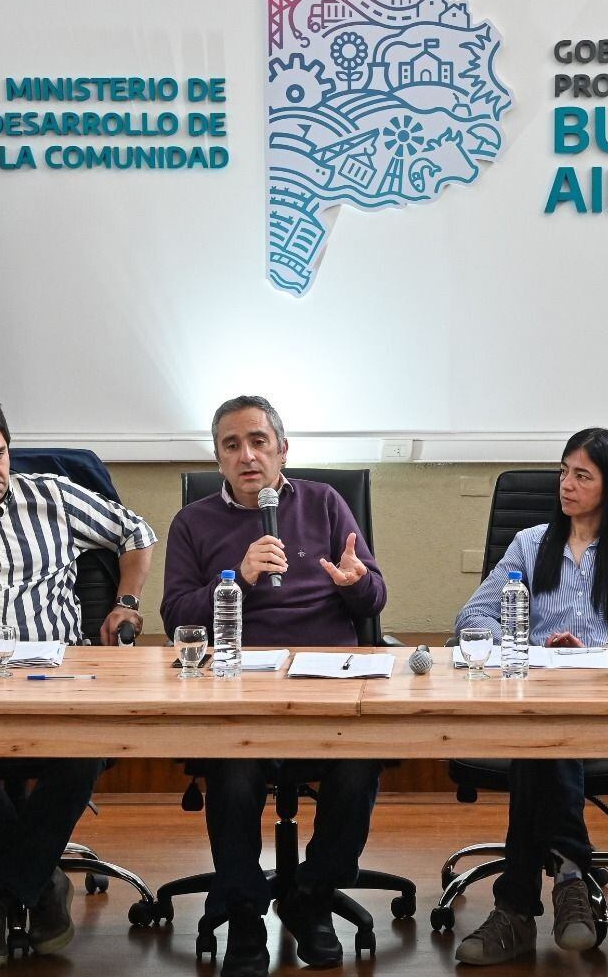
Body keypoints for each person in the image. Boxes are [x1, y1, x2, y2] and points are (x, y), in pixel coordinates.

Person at [0, 392, 157, 968]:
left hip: (60, 673)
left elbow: (136, 534)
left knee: (83, 756)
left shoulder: (52, 496)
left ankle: (2, 891)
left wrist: (127, 602)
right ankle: (40, 882)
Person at [161, 395, 387, 977]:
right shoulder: (193, 523)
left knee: (359, 765)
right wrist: (234, 576)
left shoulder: (325, 502)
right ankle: (242, 913)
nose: (248, 455)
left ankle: (310, 897)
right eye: (232, 445)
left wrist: (357, 584)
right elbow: (175, 618)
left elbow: (374, 596)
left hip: (327, 683)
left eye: (259, 441)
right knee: (233, 775)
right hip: (237, 687)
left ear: (282, 449)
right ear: (218, 460)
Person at [450, 428, 608, 965]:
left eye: (582, 475)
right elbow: (473, 615)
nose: (566, 485)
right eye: (563, 472)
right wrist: (525, 641)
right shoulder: (531, 543)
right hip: (535, 698)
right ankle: (572, 873)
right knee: (542, 738)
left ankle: (513, 910)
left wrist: (601, 646)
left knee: (541, 746)